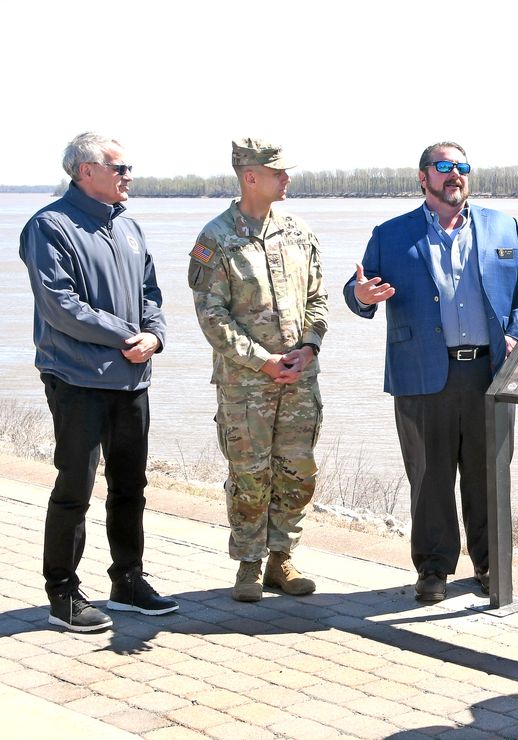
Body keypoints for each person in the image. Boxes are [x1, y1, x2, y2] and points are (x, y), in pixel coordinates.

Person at [345, 141, 518, 603]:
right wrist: (362, 297)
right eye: (444, 167)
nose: (455, 174)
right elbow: (357, 290)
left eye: (462, 167)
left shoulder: (504, 226)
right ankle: (433, 569)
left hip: (490, 373)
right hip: (421, 376)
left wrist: (515, 333)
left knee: (488, 475)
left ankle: (491, 567)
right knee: (430, 477)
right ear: (423, 177)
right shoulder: (392, 234)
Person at [19, 132, 178, 631]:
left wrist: (154, 335)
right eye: (120, 168)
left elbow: (151, 291)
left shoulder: (129, 228)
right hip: (76, 379)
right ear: (85, 171)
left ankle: (127, 580)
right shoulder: (49, 227)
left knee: (131, 485)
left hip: (132, 378)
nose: (128, 176)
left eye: (128, 169)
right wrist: (127, 334)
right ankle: (62, 593)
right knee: (75, 485)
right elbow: (61, 307)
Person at [190, 139, 328, 603]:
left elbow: (318, 299)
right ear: (251, 177)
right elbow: (212, 315)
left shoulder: (298, 232)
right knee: (249, 475)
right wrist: (262, 361)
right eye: (278, 172)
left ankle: (281, 559)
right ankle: (248, 564)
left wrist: (308, 349)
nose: (287, 179)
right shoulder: (217, 238)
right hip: (246, 385)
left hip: (298, 381)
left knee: (297, 472)